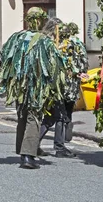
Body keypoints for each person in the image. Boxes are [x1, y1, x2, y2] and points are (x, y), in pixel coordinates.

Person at [0, 8, 65, 169]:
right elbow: (55, 67)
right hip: (36, 86)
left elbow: (1, 60)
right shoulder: (44, 40)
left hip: (19, 86)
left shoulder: (16, 38)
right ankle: (28, 155)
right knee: (34, 117)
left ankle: (23, 149)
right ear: (40, 20)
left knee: (22, 116)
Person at [37, 18, 77, 158]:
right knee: (58, 115)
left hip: (50, 85)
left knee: (52, 117)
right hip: (53, 86)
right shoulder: (49, 43)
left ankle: (35, 144)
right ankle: (59, 147)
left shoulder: (45, 41)